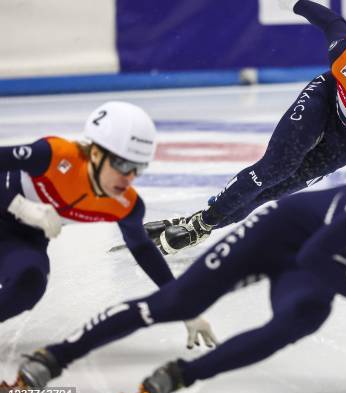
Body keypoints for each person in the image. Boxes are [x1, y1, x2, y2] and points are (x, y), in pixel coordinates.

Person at [1, 170, 346, 393]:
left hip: (307, 264)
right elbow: (314, 253)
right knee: (175, 303)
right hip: (274, 238)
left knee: (300, 320)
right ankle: (57, 357)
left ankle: (178, 376)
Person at [144, 0, 346, 255]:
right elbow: (331, 23)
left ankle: (199, 221)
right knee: (276, 168)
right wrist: (295, 2)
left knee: (270, 193)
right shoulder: (345, 58)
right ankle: (202, 223)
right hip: (326, 100)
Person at [0, 101, 215, 345]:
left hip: (19, 240)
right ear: (95, 153)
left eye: (138, 168)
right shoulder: (54, 156)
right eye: (122, 164)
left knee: (30, 282)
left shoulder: (126, 204)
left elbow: (143, 249)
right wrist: (19, 205)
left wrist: (182, 304)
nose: (129, 177)